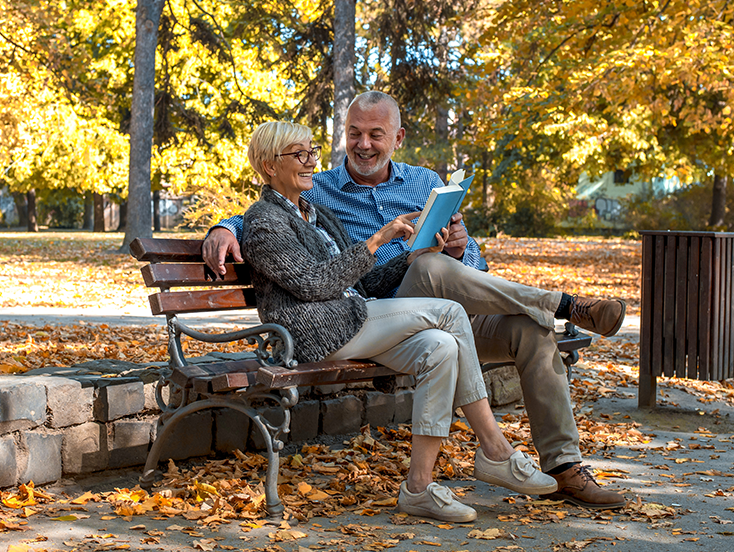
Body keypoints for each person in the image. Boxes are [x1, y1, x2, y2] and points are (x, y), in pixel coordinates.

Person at [204, 92, 627, 509]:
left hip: (441, 306)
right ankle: (562, 310)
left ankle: (562, 466)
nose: (363, 144)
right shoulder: (322, 189)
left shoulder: (426, 182)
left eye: (375, 134)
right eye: (354, 133)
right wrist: (224, 227)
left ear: (398, 137)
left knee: (528, 329)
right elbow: (267, 217)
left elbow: (472, 267)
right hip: (381, 315)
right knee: (425, 271)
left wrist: (460, 249)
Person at [241, 120, 558, 523]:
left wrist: (411, 254)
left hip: (351, 319)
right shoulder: (265, 221)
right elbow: (312, 284)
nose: (310, 163)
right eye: (299, 155)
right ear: (270, 165)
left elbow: (364, 280)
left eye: (312, 152)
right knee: (450, 314)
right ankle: (495, 448)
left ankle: (418, 488)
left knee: (440, 349)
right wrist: (376, 240)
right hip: (315, 334)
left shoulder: (314, 213)